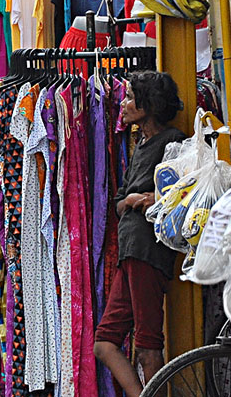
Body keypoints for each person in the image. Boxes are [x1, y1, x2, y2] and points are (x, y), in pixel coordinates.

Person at [94, 72, 185, 396]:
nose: (124, 104)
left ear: (149, 105)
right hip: (131, 251)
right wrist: (133, 201)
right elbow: (121, 201)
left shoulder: (172, 142)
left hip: (148, 251)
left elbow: (177, 196)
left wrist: (145, 200)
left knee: (148, 345)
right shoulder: (142, 143)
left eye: (131, 98)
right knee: (104, 343)